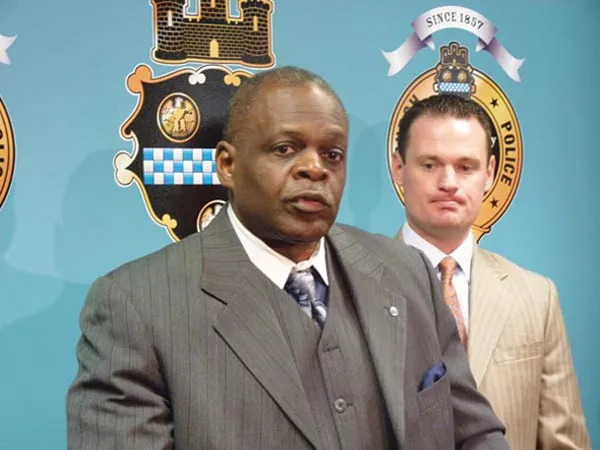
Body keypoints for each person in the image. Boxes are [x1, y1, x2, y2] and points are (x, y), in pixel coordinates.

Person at [67, 67, 509, 449]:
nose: (314, 168)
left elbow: (475, 434)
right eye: (284, 149)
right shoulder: (136, 306)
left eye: (332, 154)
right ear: (227, 165)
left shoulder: (407, 271)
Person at [390, 93, 590, 450]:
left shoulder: (537, 298)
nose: (448, 182)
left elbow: (564, 441)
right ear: (398, 168)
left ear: (490, 173)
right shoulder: (354, 286)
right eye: (430, 165)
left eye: (465, 167)